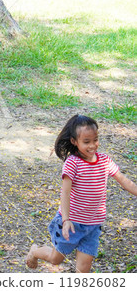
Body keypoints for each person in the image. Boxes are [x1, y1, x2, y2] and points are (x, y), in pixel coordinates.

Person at [26, 114, 137, 272]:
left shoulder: (105, 161)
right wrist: (65, 220)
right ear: (74, 141)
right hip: (72, 224)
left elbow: (124, 181)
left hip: (93, 225)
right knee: (55, 259)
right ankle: (35, 251)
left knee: (84, 269)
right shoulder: (73, 163)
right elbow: (65, 193)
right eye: (86, 142)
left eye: (95, 140)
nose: (92, 145)